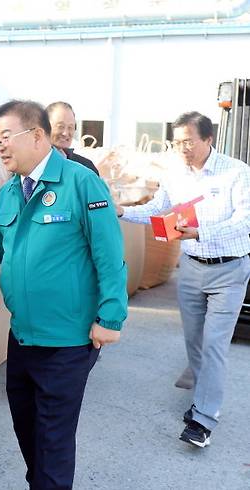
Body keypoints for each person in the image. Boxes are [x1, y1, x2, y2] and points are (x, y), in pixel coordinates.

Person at [0, 99, 128, 489]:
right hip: (22, 337)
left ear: (36, 135)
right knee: (27, 428)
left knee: (53, 439)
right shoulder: (13, 190)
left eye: (4, 136)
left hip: (67, 340)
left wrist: (110, 317)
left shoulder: (80, 182)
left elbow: (110, 254)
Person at [118, 111, 250, 448]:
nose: (183, 149)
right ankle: (202, 388)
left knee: (214, 344)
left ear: (208, 140)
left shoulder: (236, 173)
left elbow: (243, 223)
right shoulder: (175, 174)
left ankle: (203, 420)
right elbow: (159, 209)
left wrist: (200, 231)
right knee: (194, 340)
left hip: (229, 270)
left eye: (189, 141)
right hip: (191, 269)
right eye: (177, 143)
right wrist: (123, 212)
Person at [46, 101, 99, 175]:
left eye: (70, 127)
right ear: (44, 126)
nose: (65, 133)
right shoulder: (31, 164)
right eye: (60, 126)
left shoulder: (85, 167)